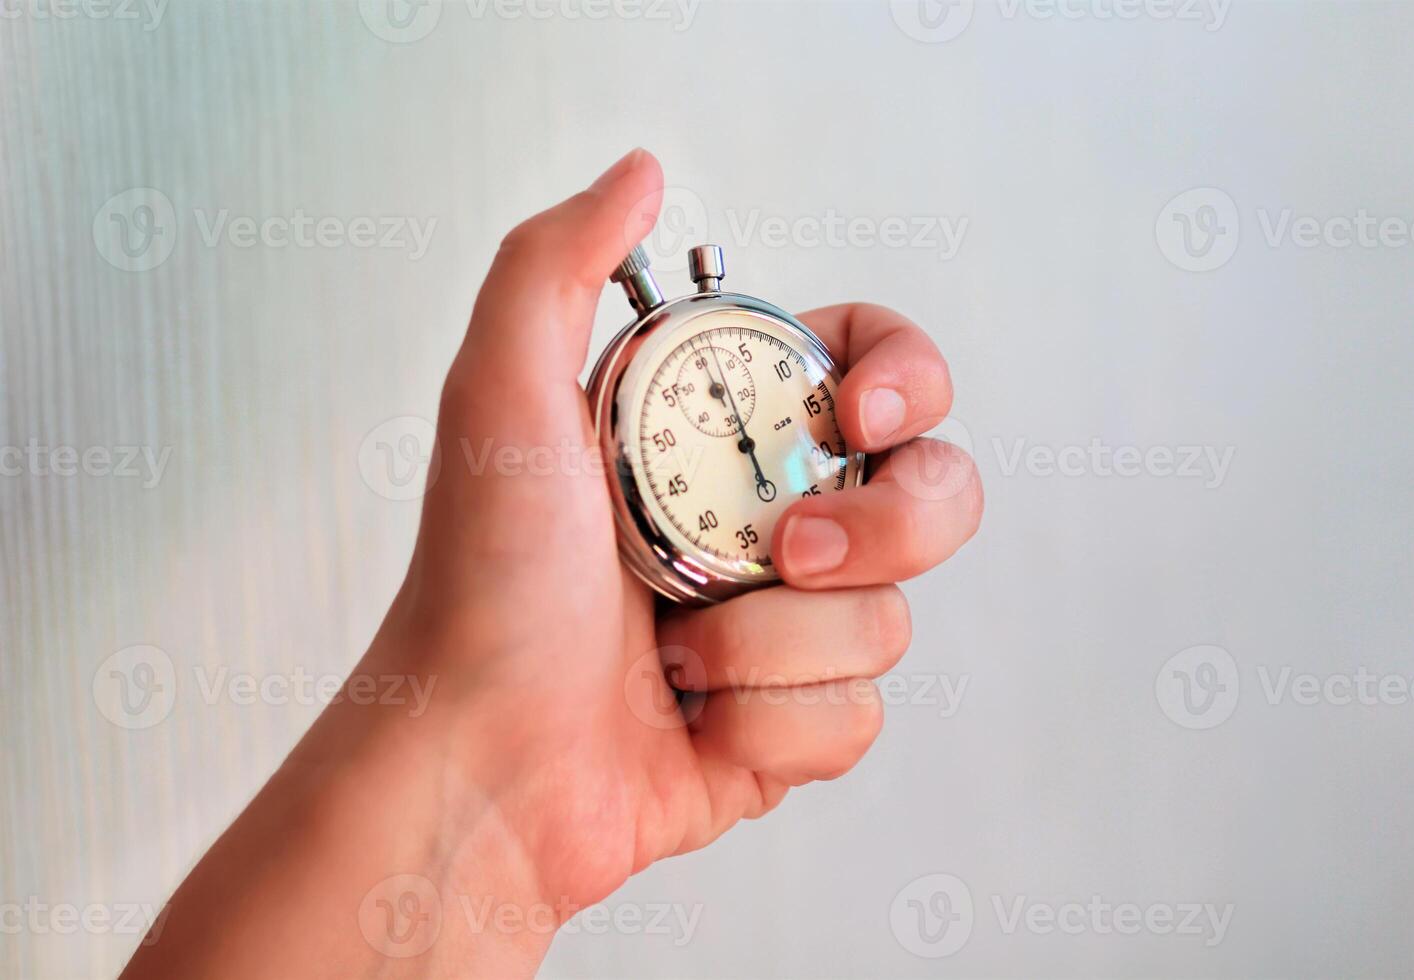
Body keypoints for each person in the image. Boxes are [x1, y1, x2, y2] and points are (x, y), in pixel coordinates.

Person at [120, 148, 983, 978]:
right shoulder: (596, 455)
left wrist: (506, 815)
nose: (750, 445)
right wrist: (495, 776)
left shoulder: (790, 380)